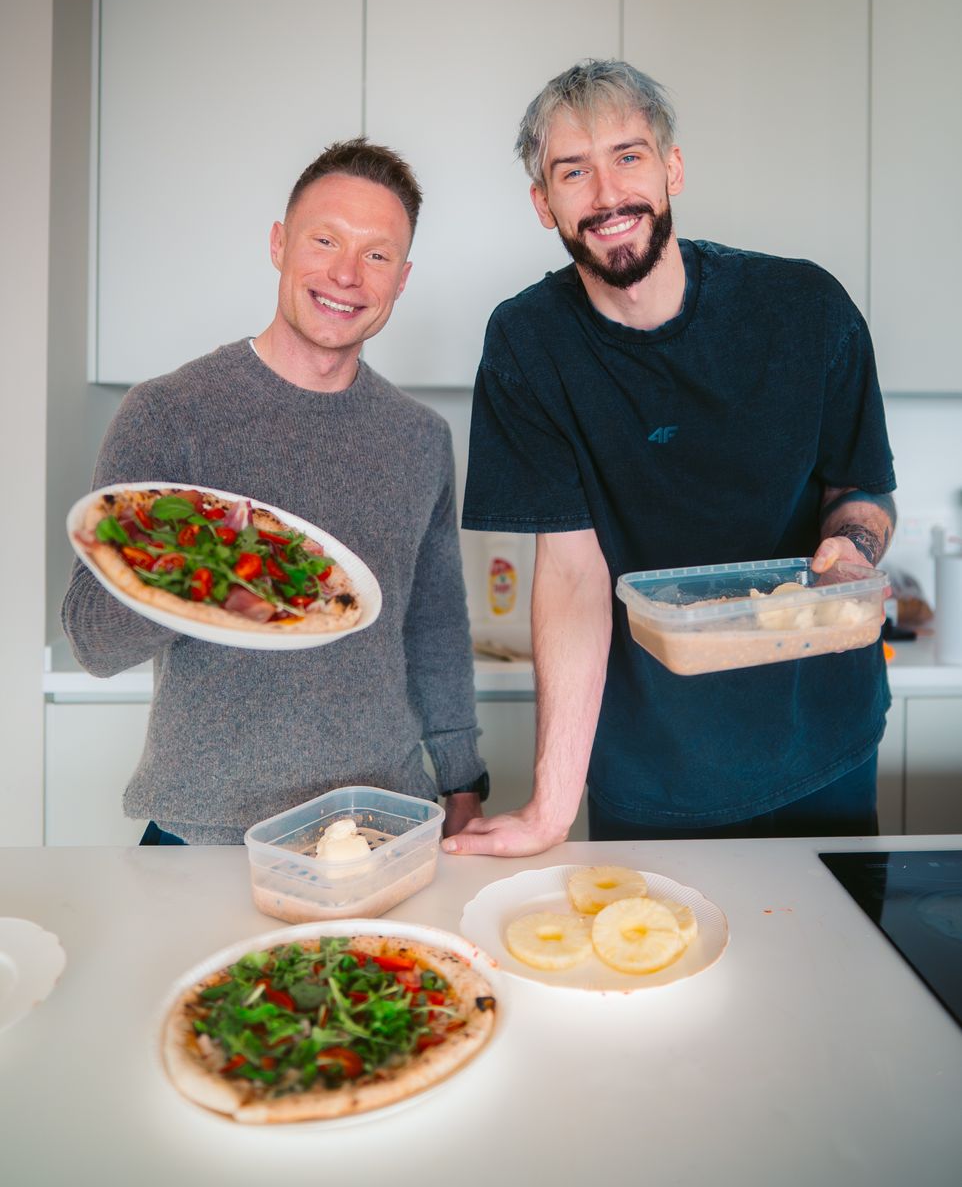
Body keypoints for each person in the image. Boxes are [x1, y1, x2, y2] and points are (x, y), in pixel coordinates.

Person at [444, 60, 896, 856]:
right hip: (650, 773)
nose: (606, 193)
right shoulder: (529, 344)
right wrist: (552, 807)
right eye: (572, 171)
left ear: (672, 168)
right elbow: (575, 575)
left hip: (820, 743)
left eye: (628, 156)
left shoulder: (803, 310)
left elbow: (860, 490)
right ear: (542, 201)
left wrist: (853, 552)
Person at [63, 138, 487, 844]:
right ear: (279, 244)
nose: (346, 274)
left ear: (402, 279)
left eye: (376, 255)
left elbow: (434, 627)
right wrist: (209, 556)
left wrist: (462, 781)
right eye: (325, 240)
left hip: (382, 825)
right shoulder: (170, 413)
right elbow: (91, 641)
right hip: (207, 833)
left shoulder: (419, 439)